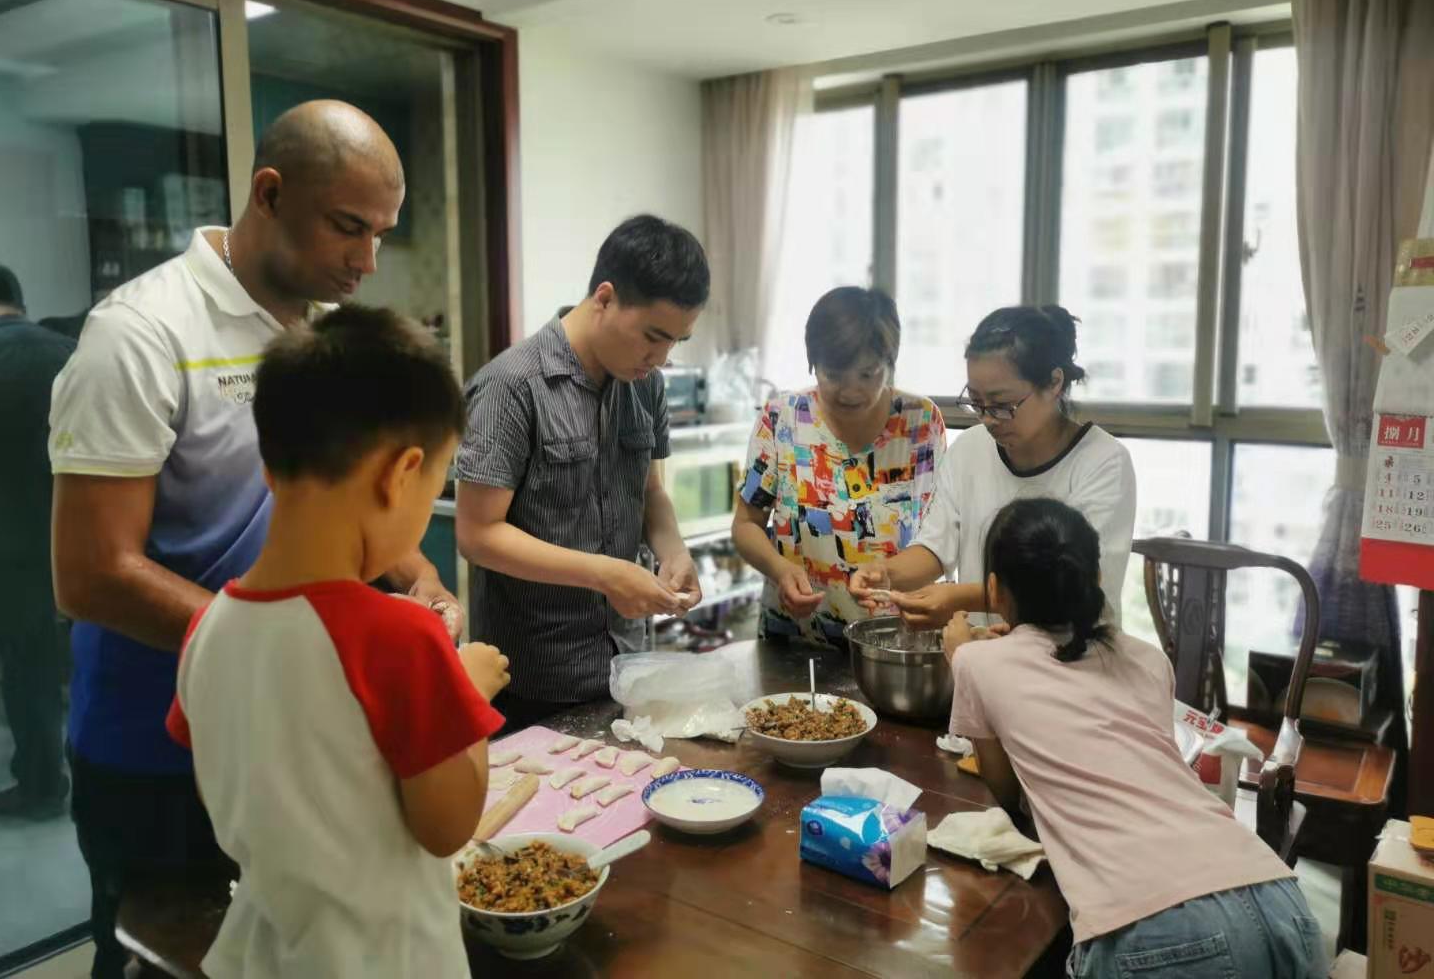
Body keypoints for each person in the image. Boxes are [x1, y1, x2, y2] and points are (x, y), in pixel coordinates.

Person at [48, 100, 464, 978]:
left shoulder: (315, 331)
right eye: (348, 227)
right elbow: (91, 574)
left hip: (295, 732)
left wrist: (416, 577)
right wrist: (289, 659)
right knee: (159, 957)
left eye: (381, 234)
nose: (366, 261)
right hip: (156, 748)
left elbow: (342, 502)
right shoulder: (139, 335)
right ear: (269, 194)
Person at [166, 305, 509, 978]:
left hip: (262, 956)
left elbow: (221, 794)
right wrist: (466, 689)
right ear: (400, 475)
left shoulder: (207, 628)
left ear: (270, 466)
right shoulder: (399, 636)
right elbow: (448, 827)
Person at [943, 497, 1326, 978]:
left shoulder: (978, 662)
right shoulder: (1147, 659)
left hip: (1157, 925)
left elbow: (1005, 790)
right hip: (1278, 899)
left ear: (994, 590)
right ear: (1095, 579)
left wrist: (957, 655)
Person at [456, 214, 709, 731]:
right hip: (533, 680)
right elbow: (477, 535)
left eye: (676, 343)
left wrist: (673, 551)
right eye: (653, 336)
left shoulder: (645, 385)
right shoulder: (511, 386)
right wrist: (604, 573)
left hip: (626, 667)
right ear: (605, 298)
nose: (660, 358)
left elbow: (650, 490)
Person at [851, 305, 1135, 629]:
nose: (987, 419)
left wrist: (963, 598)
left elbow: (1078, 585)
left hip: (1071, 656)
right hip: (986, 656)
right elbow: (936, 546)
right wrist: (886, 573)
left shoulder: (1103, 462)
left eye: (1002, 405)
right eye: (976, 401)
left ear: (1054, 382)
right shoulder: (970, 450)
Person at [732, 286, 945, 647]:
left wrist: (888, 574)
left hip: (894, 643)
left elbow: (940, 541)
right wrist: (780, 569)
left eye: (868, 374)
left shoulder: (920, 423)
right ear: (813, 363)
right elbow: (746, 525)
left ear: (890, 362)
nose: (850, 392)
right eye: (833, 375)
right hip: (796, 639)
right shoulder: (783, 418)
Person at [0, 264, 74, 818]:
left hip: (5, 547)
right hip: (74, 535)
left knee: (25, 672)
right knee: (52, 662)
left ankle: (42, 784)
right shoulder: (71, 353)